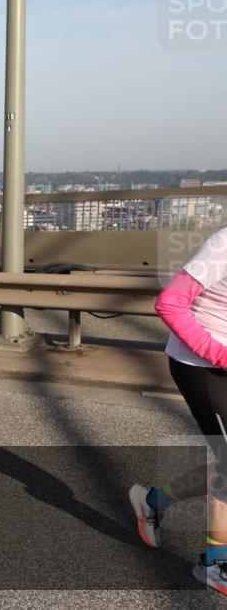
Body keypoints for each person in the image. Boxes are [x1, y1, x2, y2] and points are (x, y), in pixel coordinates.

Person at [128, 228, 227, 596]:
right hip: (200, 363)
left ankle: (153, 500)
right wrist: (220, 355)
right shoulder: (224, 245)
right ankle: (216, 564)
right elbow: (169, 303)